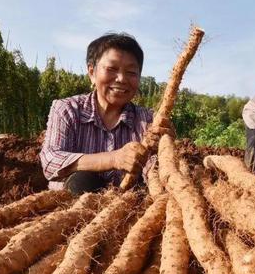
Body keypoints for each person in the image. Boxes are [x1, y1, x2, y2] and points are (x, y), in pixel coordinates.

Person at [39, 33, 174, 194]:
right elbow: (51, 160)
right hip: (72, 210)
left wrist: (167, 148)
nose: (121, 79)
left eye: (131, 72)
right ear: (91, 73)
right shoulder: (67, 109)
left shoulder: (148, 120)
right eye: (112, 69)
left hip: (130, 209)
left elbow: (155, 171)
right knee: (81, 180)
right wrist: (114, 158)